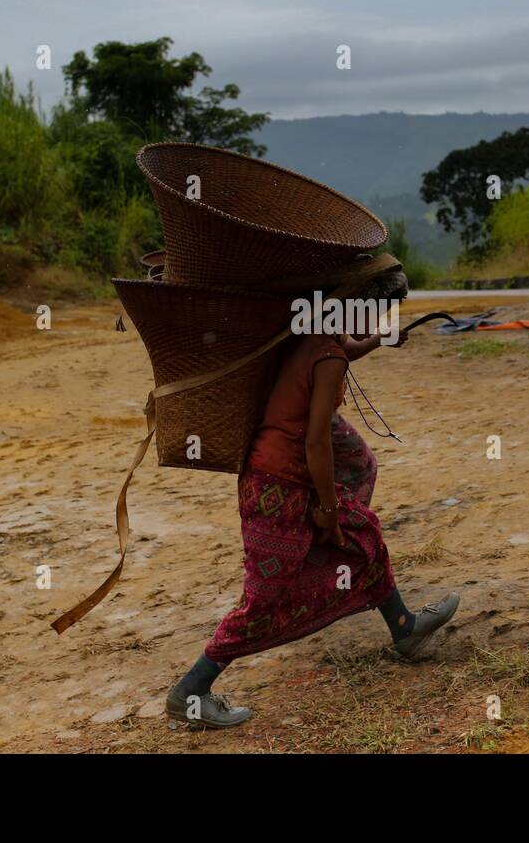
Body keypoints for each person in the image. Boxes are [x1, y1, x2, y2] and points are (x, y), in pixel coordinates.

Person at [165, 309, 459, 728]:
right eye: (372, 311)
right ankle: (190, 691)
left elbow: (340, 354)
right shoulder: (327, 355)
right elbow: (317, 441)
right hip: (278, 487)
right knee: (263, 602)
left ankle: (404, 628)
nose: (374, 319)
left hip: (275, 480)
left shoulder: (313, 337)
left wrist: (380, 340)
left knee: (366, 539)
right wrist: (328, 509)